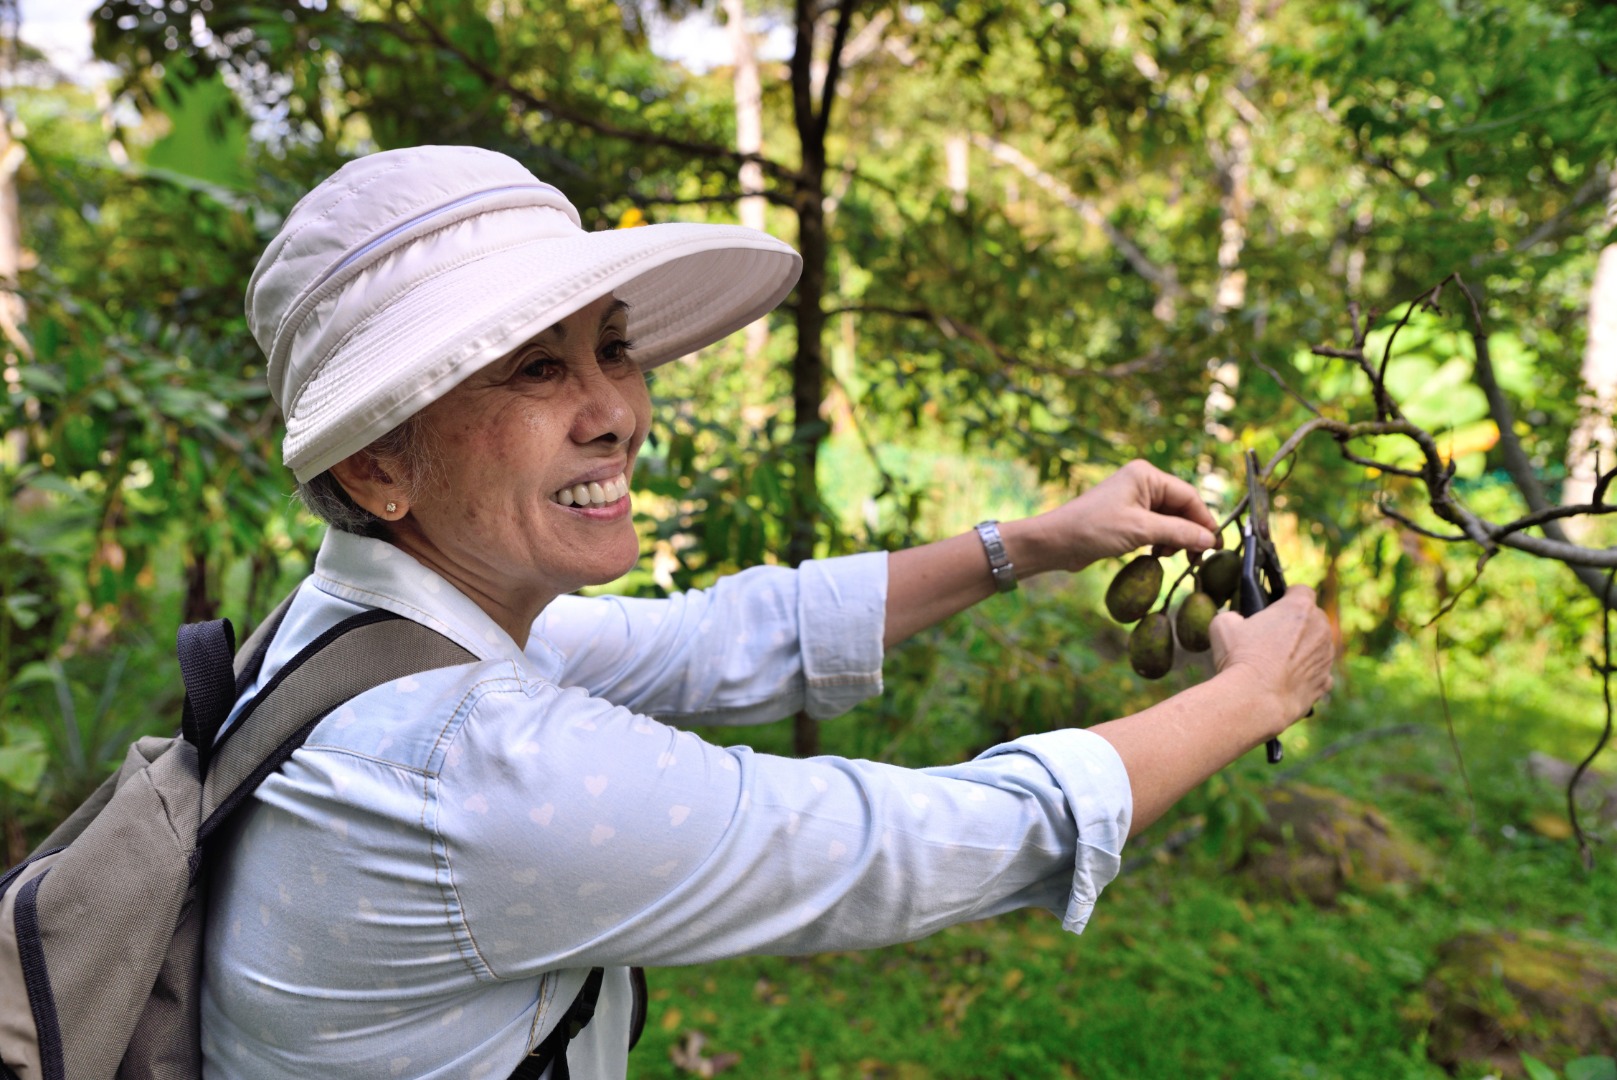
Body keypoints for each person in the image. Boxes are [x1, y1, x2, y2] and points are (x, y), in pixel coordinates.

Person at [202, 145, 1334, 1079]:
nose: (614, 413)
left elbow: (721, 636)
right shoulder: (468, 769)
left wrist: (1029, 544)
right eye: (535, 373)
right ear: (375, 472)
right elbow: (915, 844)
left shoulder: (364, 633)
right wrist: (1256, 692)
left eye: (611, 349)